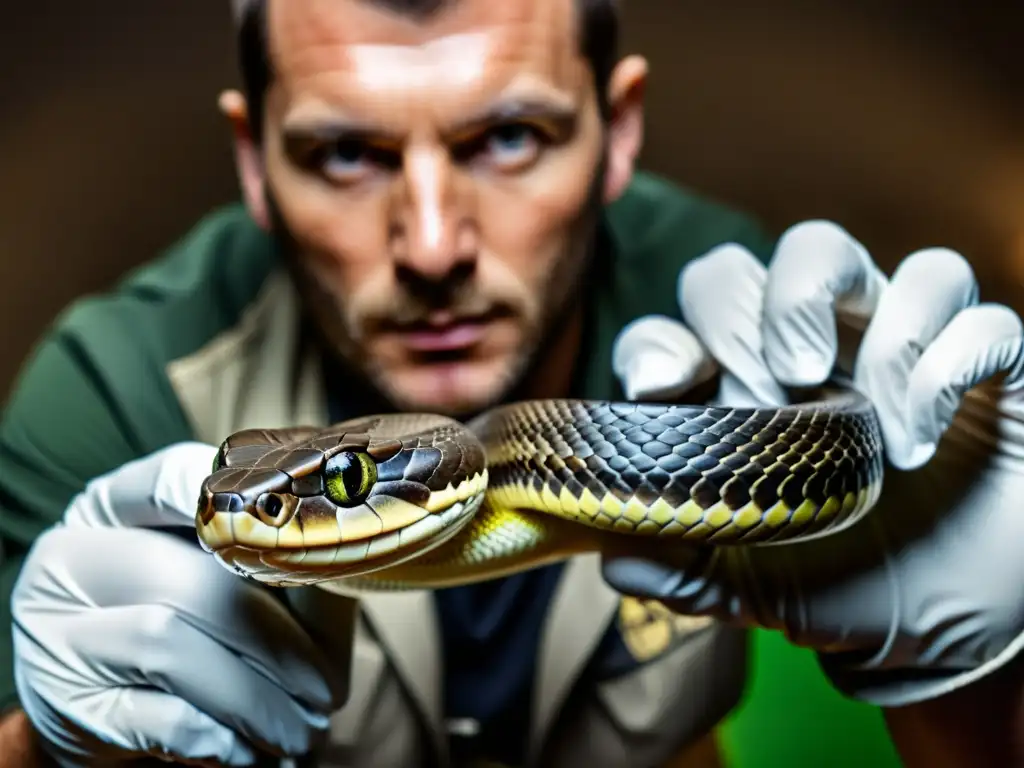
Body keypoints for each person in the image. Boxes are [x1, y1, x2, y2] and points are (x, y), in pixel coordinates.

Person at [0, 0, 1022, 766]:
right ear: (254, 162)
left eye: (507, 139)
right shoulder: (115, 386)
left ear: (618, 130)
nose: (433, 245)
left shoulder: (743, 329)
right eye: (346, 153)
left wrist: (968, 672)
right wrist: (53, 748)